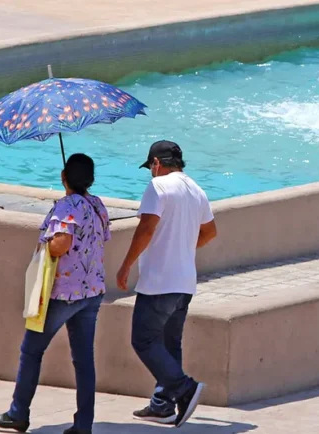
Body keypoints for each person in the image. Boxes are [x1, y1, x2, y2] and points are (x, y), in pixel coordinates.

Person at [0, 154, 111, 434]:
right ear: (90, 179)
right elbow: (101, 239)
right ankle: (84, 424)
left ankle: (18, 413)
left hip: (64, 294)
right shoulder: (97, 205)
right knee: (83, 360)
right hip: (91, 292)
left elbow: (61, 245)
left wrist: (47, 241)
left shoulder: (67, 206)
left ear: (63, 177)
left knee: (31, 350)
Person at [116, 140, 217, 427]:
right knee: (169, 343)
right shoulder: (196, 190)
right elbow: (210, 232)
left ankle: (184, 388)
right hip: (184, 282)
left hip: (159, 282)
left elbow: (146, 228)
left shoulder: (158, 187)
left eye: (150, 167)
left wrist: (126, 265)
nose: (150, 172)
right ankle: (162, 404)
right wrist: (183, 249)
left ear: (157, 163)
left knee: (144, 340)